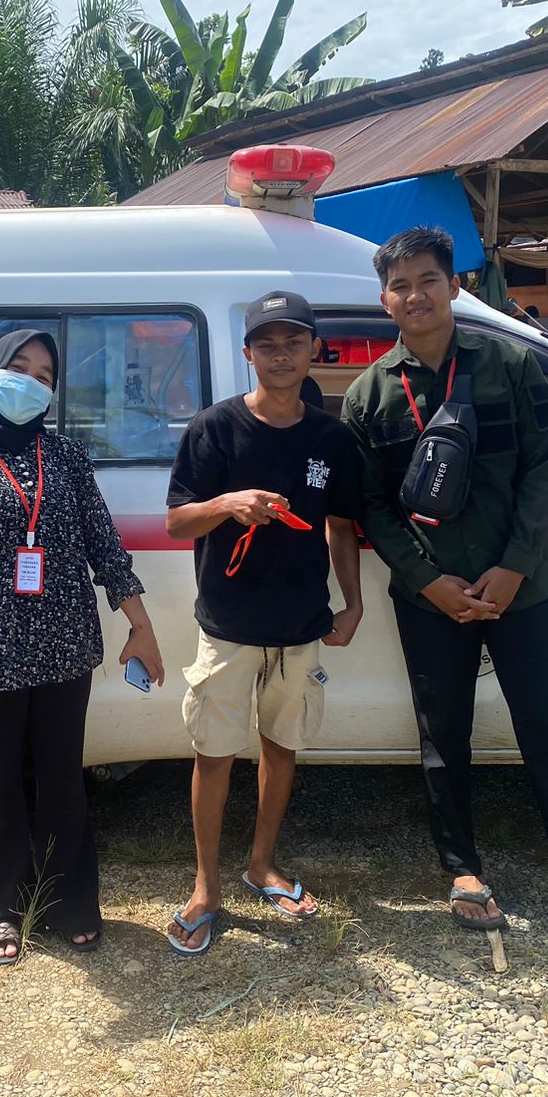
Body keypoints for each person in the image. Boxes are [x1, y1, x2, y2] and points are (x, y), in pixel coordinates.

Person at [342, 227, 548, 949]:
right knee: (441, 739)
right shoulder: (368, 395)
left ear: (455, 285)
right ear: (384, 298)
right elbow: (373, 510)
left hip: (526, 588)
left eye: (428, 279)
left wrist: (515, 565)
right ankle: (462, 872)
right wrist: (428, 581)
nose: (415, 295)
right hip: (432, 599)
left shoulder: (510, 363)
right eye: (400, 285)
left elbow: (545, 467)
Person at [0, 329, 165, 967]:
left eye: (45, 374)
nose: (32, 381)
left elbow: (104, 547)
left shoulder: (67, 458)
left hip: (64, 646)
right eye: (21, 367)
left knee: (62, 780)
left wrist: (142, 623)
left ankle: (68, 904)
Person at [163, 291, 364, 956]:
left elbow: (340, 525)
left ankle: (262, 866)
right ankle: (205, 888)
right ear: (248, 353)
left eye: (294, 342)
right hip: (226, 625)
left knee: (282, 747)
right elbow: (176, 522)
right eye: (267, 344)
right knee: (213, 755)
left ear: (313, 351)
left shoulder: (331, 438)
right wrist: (227, 502)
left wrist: (353, 601)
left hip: (302, 624)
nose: (281, 355)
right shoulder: (214, 429)